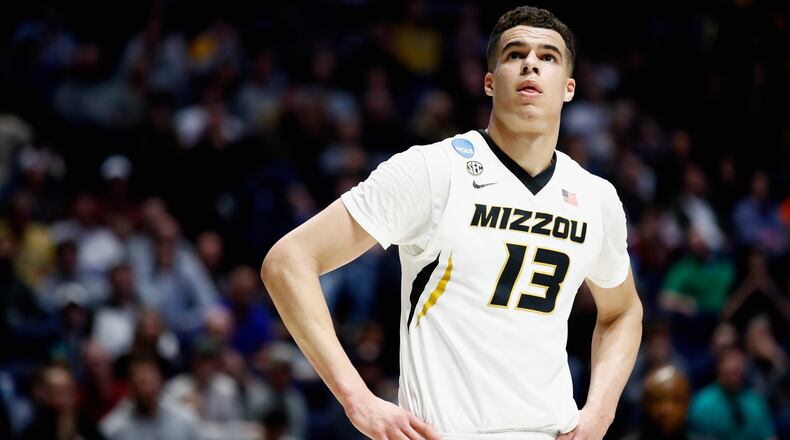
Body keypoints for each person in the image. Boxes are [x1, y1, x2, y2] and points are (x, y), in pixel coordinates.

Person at [262, 5, 642, 440]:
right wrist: (358, 399)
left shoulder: (596, 197)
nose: (531, 63)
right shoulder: (432, 171)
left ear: (569, 88)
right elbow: (288, 262)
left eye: (548, 56)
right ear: (489, 81)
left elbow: (623, 311)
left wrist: (600, 411)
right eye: (515, 54)